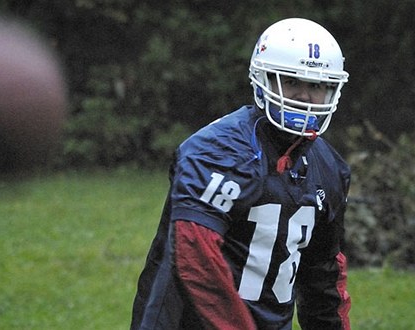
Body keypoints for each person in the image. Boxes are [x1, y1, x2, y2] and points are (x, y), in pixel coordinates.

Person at [131, 18, 351, 330]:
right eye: (291, 81)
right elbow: (196, 260)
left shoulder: (330, 167)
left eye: (316, 85)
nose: (304, 96)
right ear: (262, 80)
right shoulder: (215, 151)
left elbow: (323, 278)